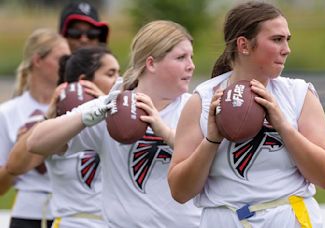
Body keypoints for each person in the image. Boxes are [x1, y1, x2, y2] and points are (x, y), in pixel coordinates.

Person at [168, 1, 325, 228]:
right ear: (244, 45)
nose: (286, 49)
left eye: (287, 39)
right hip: (224, 219)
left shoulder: (298, 94)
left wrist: (283, 126)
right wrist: (212, 140)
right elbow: (180, 192)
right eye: (277, 39)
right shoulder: (203, 99)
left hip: (287, 218)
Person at [27, 20, 201, 227]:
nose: (191, 65)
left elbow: (209, 162)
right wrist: (86, 116)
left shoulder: (196, 106)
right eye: (181, 57)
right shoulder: (112, 107)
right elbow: (35, 143)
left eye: (191, 57)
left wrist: (164, 131)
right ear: (151, 63)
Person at [6, 46, 120, 228]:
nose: (118, 81)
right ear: (84, 82)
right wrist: (48, 115)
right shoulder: (56, 127)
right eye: (111, 74)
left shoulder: (122, 122)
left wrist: (108, 106)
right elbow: (14, 166)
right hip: (71, 223)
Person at [0, 28, 70, 228]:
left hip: (70, 213)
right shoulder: (8, 112)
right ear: (38, 60)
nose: (67, 66)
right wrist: (20, 155)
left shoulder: (76, 108)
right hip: (27, 213)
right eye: (62, 60)